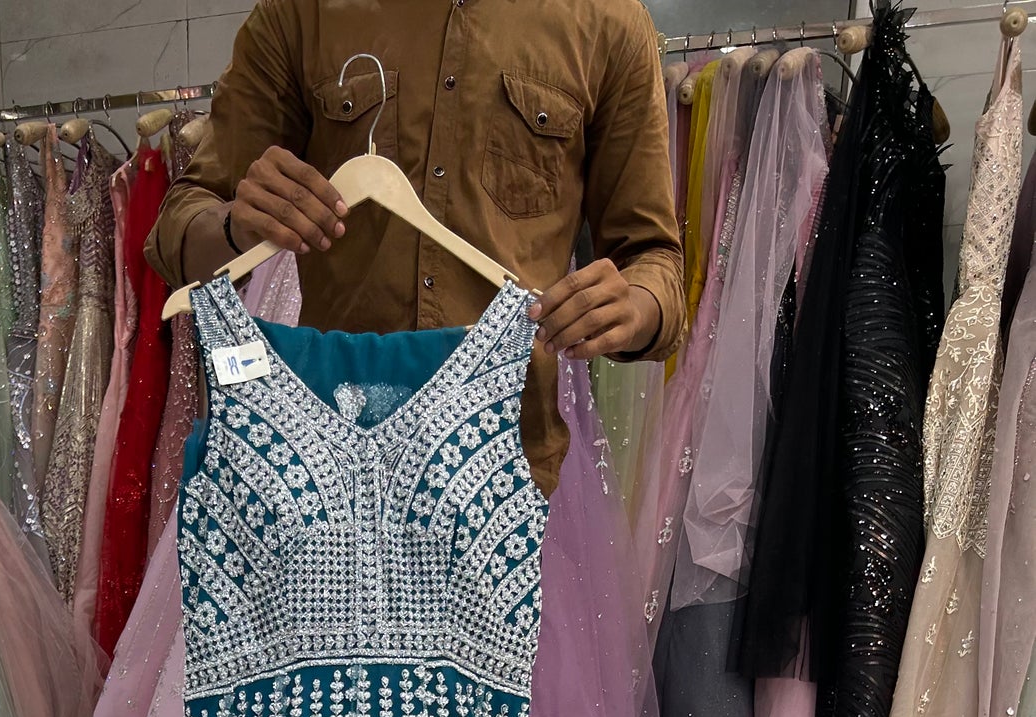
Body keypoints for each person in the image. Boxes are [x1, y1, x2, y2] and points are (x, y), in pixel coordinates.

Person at [147, 0, 684, 492]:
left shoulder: (607, 22)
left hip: (507, 477)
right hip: (324, 474)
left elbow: (654, 260)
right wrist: (237, 227)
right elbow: (178, 226)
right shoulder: (304, 12)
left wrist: (634, 306)